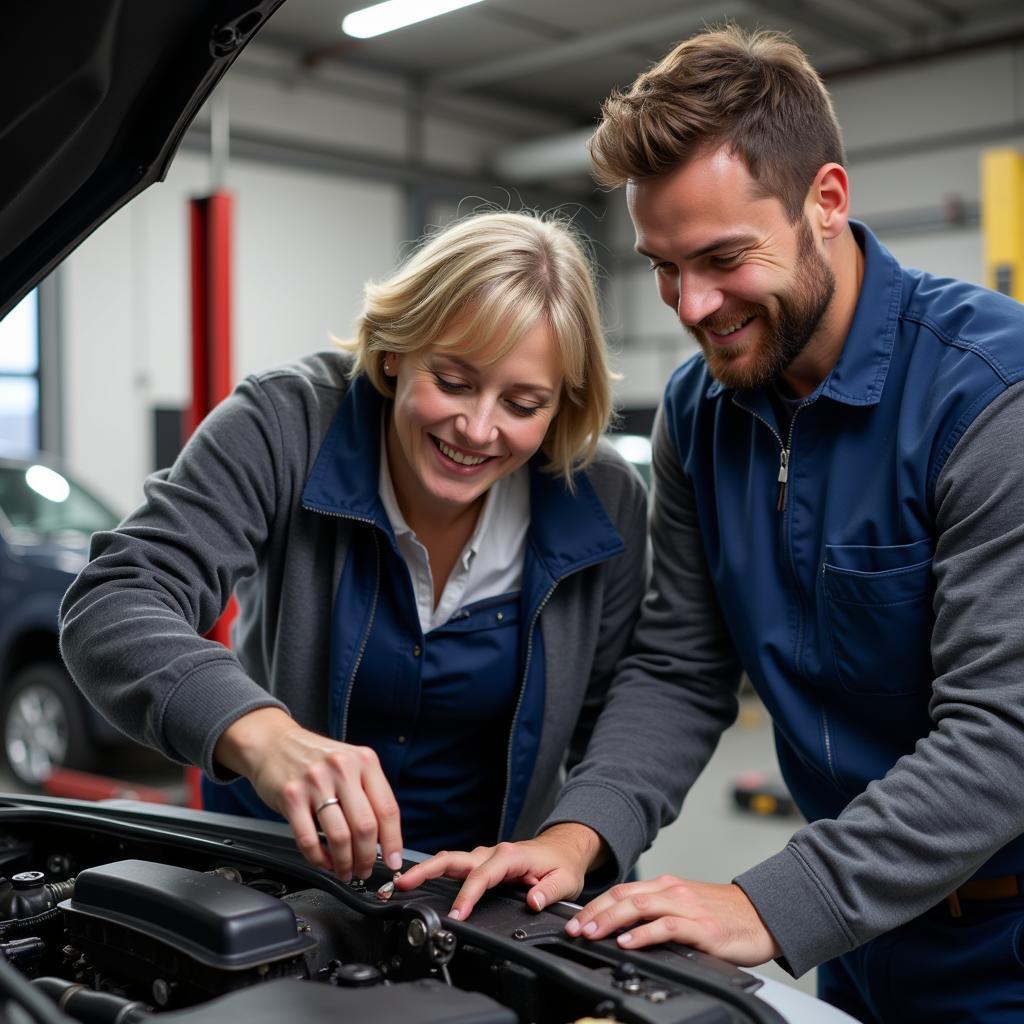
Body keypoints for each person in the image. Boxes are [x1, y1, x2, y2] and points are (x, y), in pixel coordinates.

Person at [396, 27, 1024, 1022]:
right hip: (862, 936)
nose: (692, 305)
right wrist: (578, 835)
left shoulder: (991, 395)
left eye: (724, 258)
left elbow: (1002, 738)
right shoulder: (701, 410)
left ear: (825, 200)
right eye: (662, 266)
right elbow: (682, 665)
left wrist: (759, 902)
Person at [59, 210, 647, 887]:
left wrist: (578, 844)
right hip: (266, 870)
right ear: (395, 351)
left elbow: (623, 723)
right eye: (453, 381)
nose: (478, 427)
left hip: (483, 903)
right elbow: (115, 598)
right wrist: (265, 738)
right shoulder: (283, 424)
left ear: (561, 406)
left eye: (523, 404)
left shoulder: (606, 499)